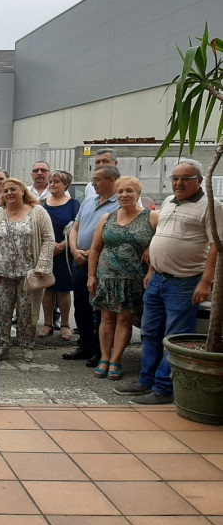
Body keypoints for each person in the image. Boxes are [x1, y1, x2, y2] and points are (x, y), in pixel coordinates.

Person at [115, 160, 221, 405]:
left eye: (185, 178)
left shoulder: (211, 206)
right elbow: (160, 236)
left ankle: (164, 389)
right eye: (175, 178)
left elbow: (217, 246)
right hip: (158, 280)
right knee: (150, 333)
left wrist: (206, 282)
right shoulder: (169, 202)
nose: (178, 183)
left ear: (199, 180)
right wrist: (152, 268)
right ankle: (146, 380)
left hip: (184, 283)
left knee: (174, 336)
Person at [87, 176, 158, 380]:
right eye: (120, 191)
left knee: (125, 319)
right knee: (106, 318)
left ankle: (116, 360)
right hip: (107, 276)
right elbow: (94, 249)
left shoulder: (152, 217)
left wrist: (150, 247)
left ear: (138, 194)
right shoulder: (107, 217)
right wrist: (91, 276)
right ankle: (105, 358)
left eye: (129, 191)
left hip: (133, 278)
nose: (124, 195)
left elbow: (165, 238)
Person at [0, 177, 54, 362]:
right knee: (1, 311)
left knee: (27, 312)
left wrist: (42, 266)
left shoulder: (38, 212)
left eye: (13, 189)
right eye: (5, 191)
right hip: (2, 274)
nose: (9, 193)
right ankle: (2, 345)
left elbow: (48, 239)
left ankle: (26, 345)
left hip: (29, 275)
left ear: (23, 191)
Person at [63, 165, 121, 366]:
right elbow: (75, 228)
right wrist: (75, 250)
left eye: (98, 179)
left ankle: (100, 350)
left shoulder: (119, 204)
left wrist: (93, 252)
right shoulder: (88, 201)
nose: (93, 183)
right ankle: (85, 345)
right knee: (81, 305)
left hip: (103, 263)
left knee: (100, 309)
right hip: (80, 261)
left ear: (112, 180)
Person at [40, 170, 79, 341]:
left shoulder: (74, 204)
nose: (52, 184)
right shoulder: (41, 204)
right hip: (46, 252)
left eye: (57, 181)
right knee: (47, 289)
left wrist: (64, 244)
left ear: (66, 185)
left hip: (65, 255)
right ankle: (48, 324)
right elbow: (37, 227)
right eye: (51, 181)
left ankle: (64, 324)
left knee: (63, 290)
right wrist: (49, 245)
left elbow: (77, 228)